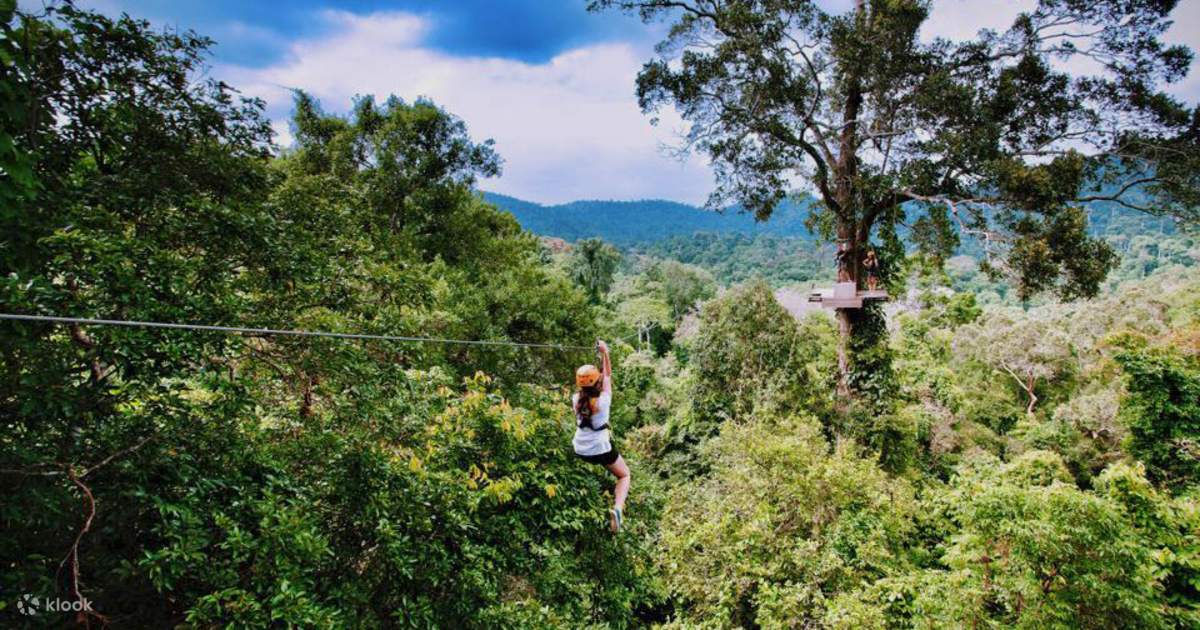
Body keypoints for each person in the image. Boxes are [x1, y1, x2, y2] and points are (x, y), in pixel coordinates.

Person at [573, 340, 630, 533]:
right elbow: (607, 375)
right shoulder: (604, 400)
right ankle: (618, 509)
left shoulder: (576, 400)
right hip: (599, 448)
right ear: (597, 382)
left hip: (580, 448)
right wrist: (605, 353)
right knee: (624, 475)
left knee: (602, 462)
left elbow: (600, 379)